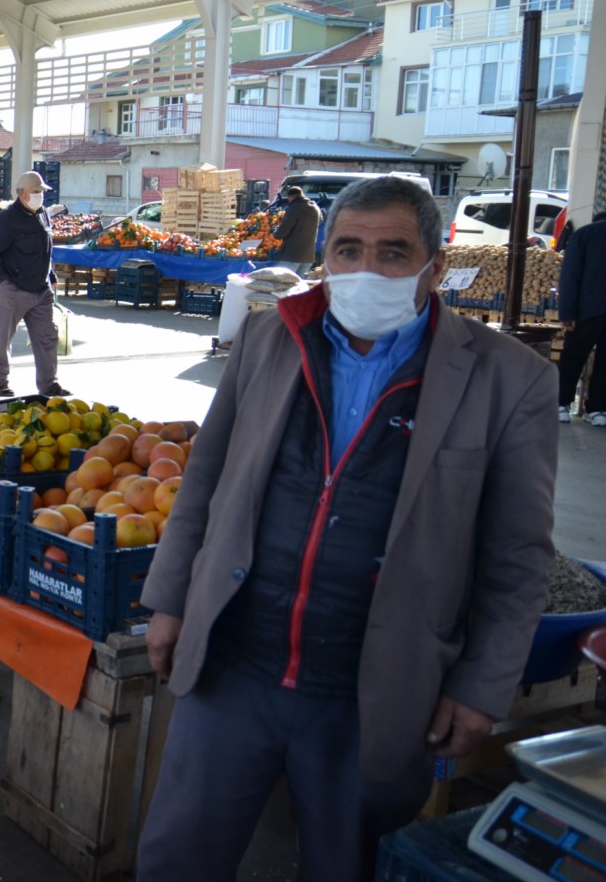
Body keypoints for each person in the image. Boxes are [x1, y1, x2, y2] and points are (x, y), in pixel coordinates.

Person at [136, 176, 558, 882]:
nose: (367, 271)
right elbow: (206, 480)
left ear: (437, 265)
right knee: (179, 856)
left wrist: (484, 685)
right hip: (237, 662)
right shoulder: (270, 338)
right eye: (348, 250)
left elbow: (518, 556)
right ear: (324, 256)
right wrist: (170, 598)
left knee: (345, 865)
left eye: (394, 253)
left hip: (380, 689)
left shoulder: (508, 381)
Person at [0, 171, 67, 399]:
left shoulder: (43, 215)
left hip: (41, 289)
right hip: (13, 290)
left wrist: (51, 275)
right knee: (2, 339)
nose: (41, 196)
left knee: (48, 338)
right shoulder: (6, 219)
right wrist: (4, 282)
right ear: (22, 194)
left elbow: (46, 250)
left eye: (42, 192)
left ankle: (49, 385)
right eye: (36, 192)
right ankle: (0, 384)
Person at [558, 210, 606, 425]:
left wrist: (567, 312)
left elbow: (570, 276)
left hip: (586, 310)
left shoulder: (583, 235)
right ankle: (597, 410)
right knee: (605, 362)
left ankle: (561, 405)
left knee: (573, 357)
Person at [274, 183, 322, 276]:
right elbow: (320, 221)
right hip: (309, 256)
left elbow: (281, 233)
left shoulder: (293, 209)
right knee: (300, 286)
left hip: (292, 255)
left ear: (291, 197)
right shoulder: (315, 208)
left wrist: (275, 234)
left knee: (285, 284)